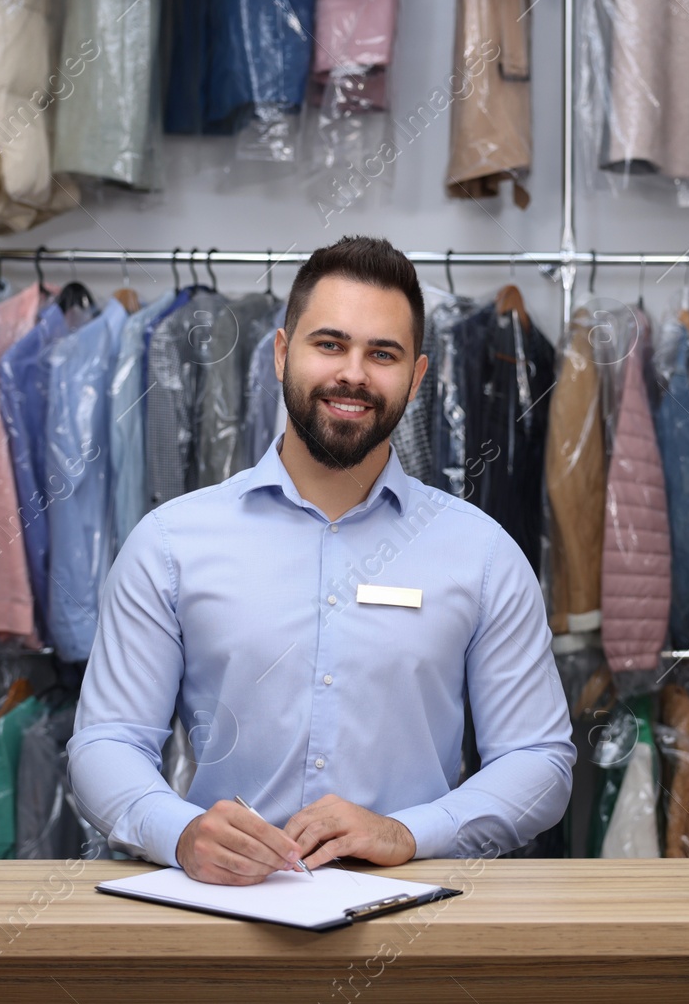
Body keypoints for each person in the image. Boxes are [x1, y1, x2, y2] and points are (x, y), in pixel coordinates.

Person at [68, 236, 575, 884]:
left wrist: (410, 831)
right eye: (329, 344)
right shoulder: (169, 545)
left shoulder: (482, 554)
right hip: (221, 924)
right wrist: (181, 832)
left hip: (411, 931)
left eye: (382, 353)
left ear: (417, 378)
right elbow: (105, 743)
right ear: (282, 354)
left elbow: (540, 760)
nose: (353, 374)